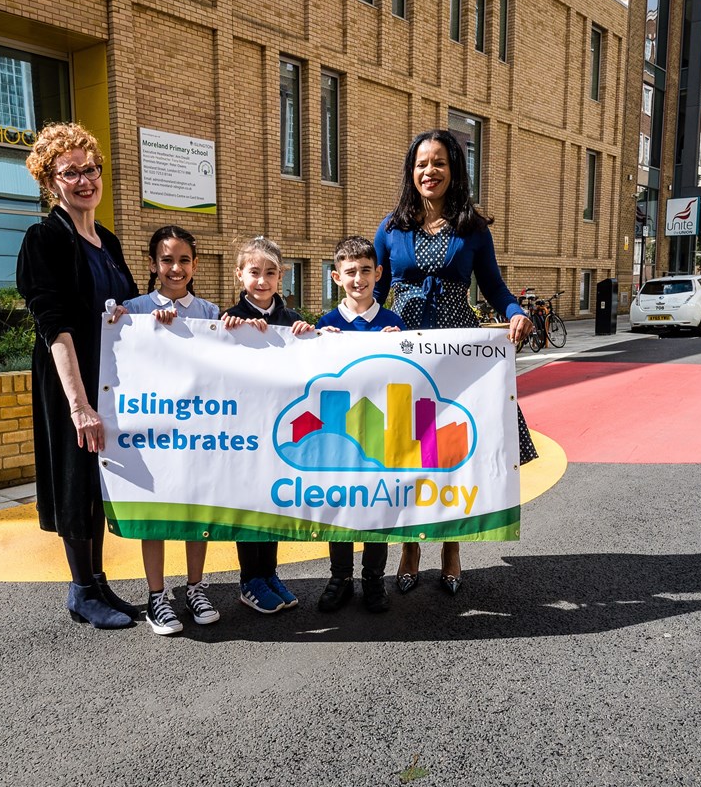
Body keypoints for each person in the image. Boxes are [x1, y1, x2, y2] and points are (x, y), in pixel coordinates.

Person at [373, 129, 535, 597]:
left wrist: (516, 312)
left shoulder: (472, 229)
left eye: (439, 162)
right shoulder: (392, 226)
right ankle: (409, 547)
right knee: (403, 451)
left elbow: (495, 288)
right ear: (411, 170)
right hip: (402, 352)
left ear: (454, 170)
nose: (429, 171)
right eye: (421, 163)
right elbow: (374, 294)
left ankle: (450, 548)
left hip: (455, 357)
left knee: (448, 455)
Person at [16, 122, 141, 630]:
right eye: (71, 172)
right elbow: (56, 326)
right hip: (69, 380)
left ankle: (98, 580)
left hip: (105, 379)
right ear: (50, 182)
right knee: (74, 479)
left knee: (97, 481)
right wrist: (79, 405)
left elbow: (125, 310)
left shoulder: (105, 239)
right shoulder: (44, 238)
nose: (85, 180)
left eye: (90, 169)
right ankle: (80, 590)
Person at [120, 225, 230, 634]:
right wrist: (129, 321)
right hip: (152, 429)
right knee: (157, 512)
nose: (176, 268)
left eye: (184, 260)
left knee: (194, 508)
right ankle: (156, 596)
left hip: (197, 430)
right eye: (167, 260)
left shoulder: (210, 313)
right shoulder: (132, 308)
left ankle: (195, 587)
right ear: (153, 264)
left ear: (195, 264)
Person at [222, 235, 315, 613]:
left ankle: (269, 573)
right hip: (243, 430)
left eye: (270, 273)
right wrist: (225, 333)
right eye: (254, 272)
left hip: (281, 429)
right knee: (249, 502)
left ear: (282, 277)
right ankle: (250, 580)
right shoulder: (225, 319)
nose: (262, 281)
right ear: (240, 275)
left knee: (274, 502)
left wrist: (310, 337)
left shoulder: (292, 321)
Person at [314, 235, 405, 614]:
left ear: (378, 273)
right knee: (340, 504)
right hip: (337, 431)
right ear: (337, 277)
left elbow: (409, 375)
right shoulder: (326, 324)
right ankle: (340, 578)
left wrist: (401, 345)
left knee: (376, 505)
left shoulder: (392, 323)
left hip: (378, 432)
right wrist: (318, 343)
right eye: (350, 272)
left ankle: (373, 579)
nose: (358, 279)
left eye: (366, 270)